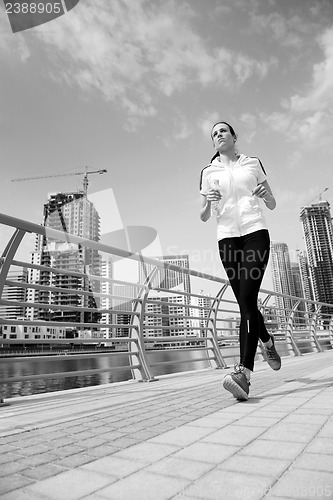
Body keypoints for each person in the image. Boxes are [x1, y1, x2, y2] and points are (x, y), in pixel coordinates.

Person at [199, 121, 281, 401]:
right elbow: (203, 215)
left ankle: (243, 374)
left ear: (234, 137)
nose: (218, 135)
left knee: (247, 295)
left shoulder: (253, 163)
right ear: (213, 144)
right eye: (214, 134)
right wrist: (208, 202)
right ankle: (267, 340)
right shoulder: (208, 172)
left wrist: (265, 194)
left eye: (223, 131)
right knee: (246, 302)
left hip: (255, 232)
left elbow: (272, 202)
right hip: (227, 239)